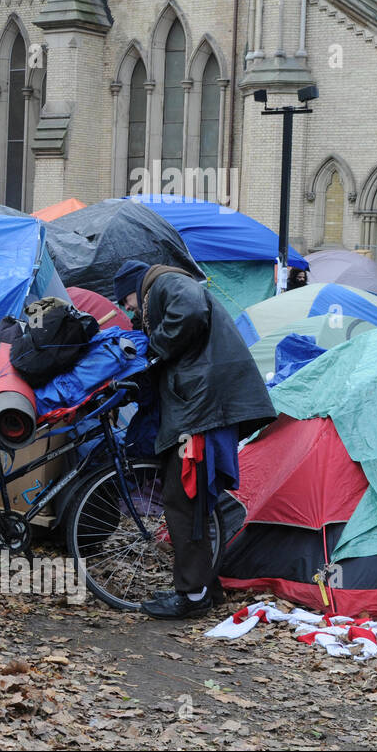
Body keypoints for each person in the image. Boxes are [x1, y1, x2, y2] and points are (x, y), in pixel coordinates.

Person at [112, 260, 276, 619]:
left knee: (184, 499)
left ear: (133, 288)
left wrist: (155, 346)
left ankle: (192, 595)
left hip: (202, 409)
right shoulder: (162, 287)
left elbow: (191, 309)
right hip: (202, 406)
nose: (127, 309)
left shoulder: (165, 282)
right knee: (194, 500)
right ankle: (206, 587)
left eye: (125, 301)